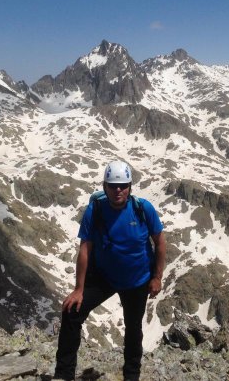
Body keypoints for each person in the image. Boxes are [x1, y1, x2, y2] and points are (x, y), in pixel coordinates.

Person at [54, 161, 166, 381]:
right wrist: (79, 289)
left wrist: (157, 277)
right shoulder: (95, 210)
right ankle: (63, 374)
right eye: (113, 186)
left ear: (130, 186)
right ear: (104, 186)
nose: (118, 190)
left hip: (137, 280)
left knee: (133, 330)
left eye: (123, 185)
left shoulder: (143, 209)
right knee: (71, 311)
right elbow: (85, 249)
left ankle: (131, 376)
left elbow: (160, 242)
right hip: (104, 277)